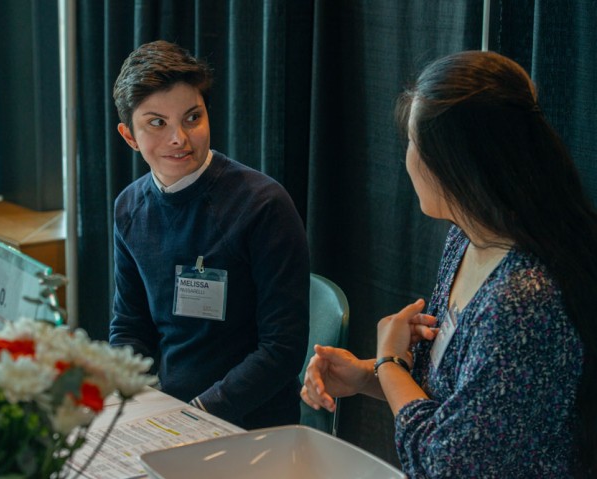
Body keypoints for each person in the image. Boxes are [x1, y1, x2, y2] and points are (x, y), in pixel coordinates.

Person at [301, 50, 597, 478]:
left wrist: (387, 362)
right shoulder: (466, 238)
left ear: (456, 164)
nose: (406, 160)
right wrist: (367, 375)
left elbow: (448, 462)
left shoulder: (524, 298)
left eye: (413, 144)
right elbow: (460, 402)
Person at [110, 40, 310, 429]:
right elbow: (129, 326)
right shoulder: (129, 208)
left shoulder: (262, 205)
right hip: (164, 414)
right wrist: (131, 398)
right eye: (157, 123)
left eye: (192, 118)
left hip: (250, 423)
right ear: (129, 136)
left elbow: (282, 350)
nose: (179, 139)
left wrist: (197, 415)